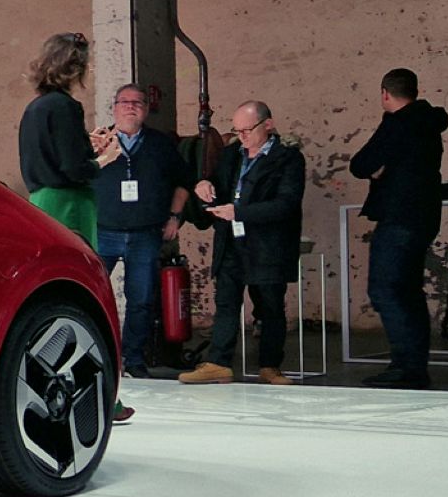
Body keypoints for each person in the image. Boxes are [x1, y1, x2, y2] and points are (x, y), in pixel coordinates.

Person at [18, 32, 133, 422]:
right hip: (71, 205)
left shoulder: (35, 108)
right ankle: (104, 396)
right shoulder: (66, 107)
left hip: (43, 203)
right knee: (87, 298)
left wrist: (86, 145)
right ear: (75, 66)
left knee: (52, 299)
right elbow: (74, 169)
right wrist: (104, 159)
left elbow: (52, 158)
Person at [179, 101, 305, 386]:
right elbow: (217, 182)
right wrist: (204, 185)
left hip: (267, 244)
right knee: (226, 302)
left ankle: (270, 366)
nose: (242, 136)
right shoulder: (232, 154)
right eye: (237, 131)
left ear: (268, 125)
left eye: (248, 130)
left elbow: (286, 204)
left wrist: (240, 213)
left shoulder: (288, 158)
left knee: (270, 306)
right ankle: (218, 362)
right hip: (231, 240)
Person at [348, 69, 448, 388]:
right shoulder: (429, 122)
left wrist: (379, 170)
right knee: (409, 291)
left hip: (398, 214)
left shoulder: (397, 122)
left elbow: (360, 164)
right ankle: (415, 365)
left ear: (385, 94)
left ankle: (405, 366)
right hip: (424, 215)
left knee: (386, 289)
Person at [93, 83, 191, 377]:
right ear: (114, 108)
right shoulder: (99, 141)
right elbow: (76, 179)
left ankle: (132, 358)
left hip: (146, 234)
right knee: (92, 295)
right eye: (124, 102)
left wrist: (174, 217)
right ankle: (98, 357)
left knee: (142, 300)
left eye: (138, 102)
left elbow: (183, 182)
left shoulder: (161, 144)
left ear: (147, 109)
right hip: (103, 232)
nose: (131, 107)